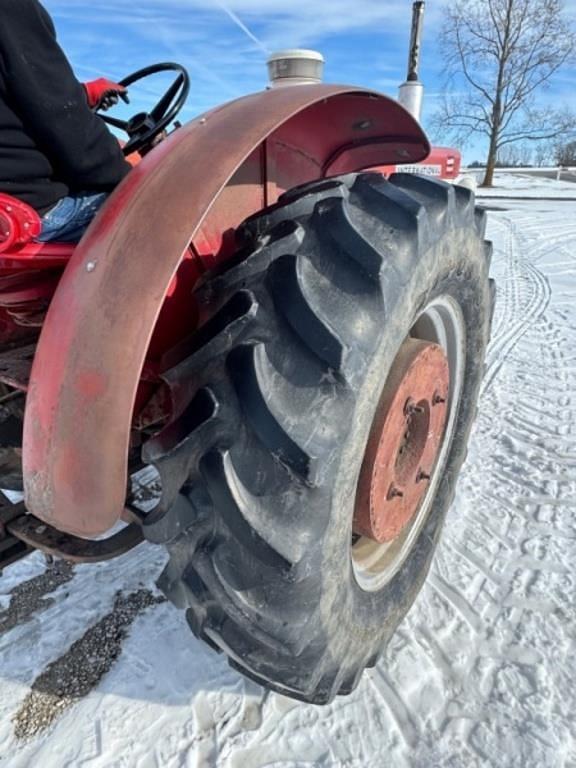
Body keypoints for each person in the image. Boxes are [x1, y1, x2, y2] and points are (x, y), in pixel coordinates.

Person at [0, 0, 132, 243]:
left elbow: (23, 91)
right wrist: (129, 175)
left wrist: (84, 93)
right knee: (176, 202)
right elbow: (62, 118)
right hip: (33, 212)